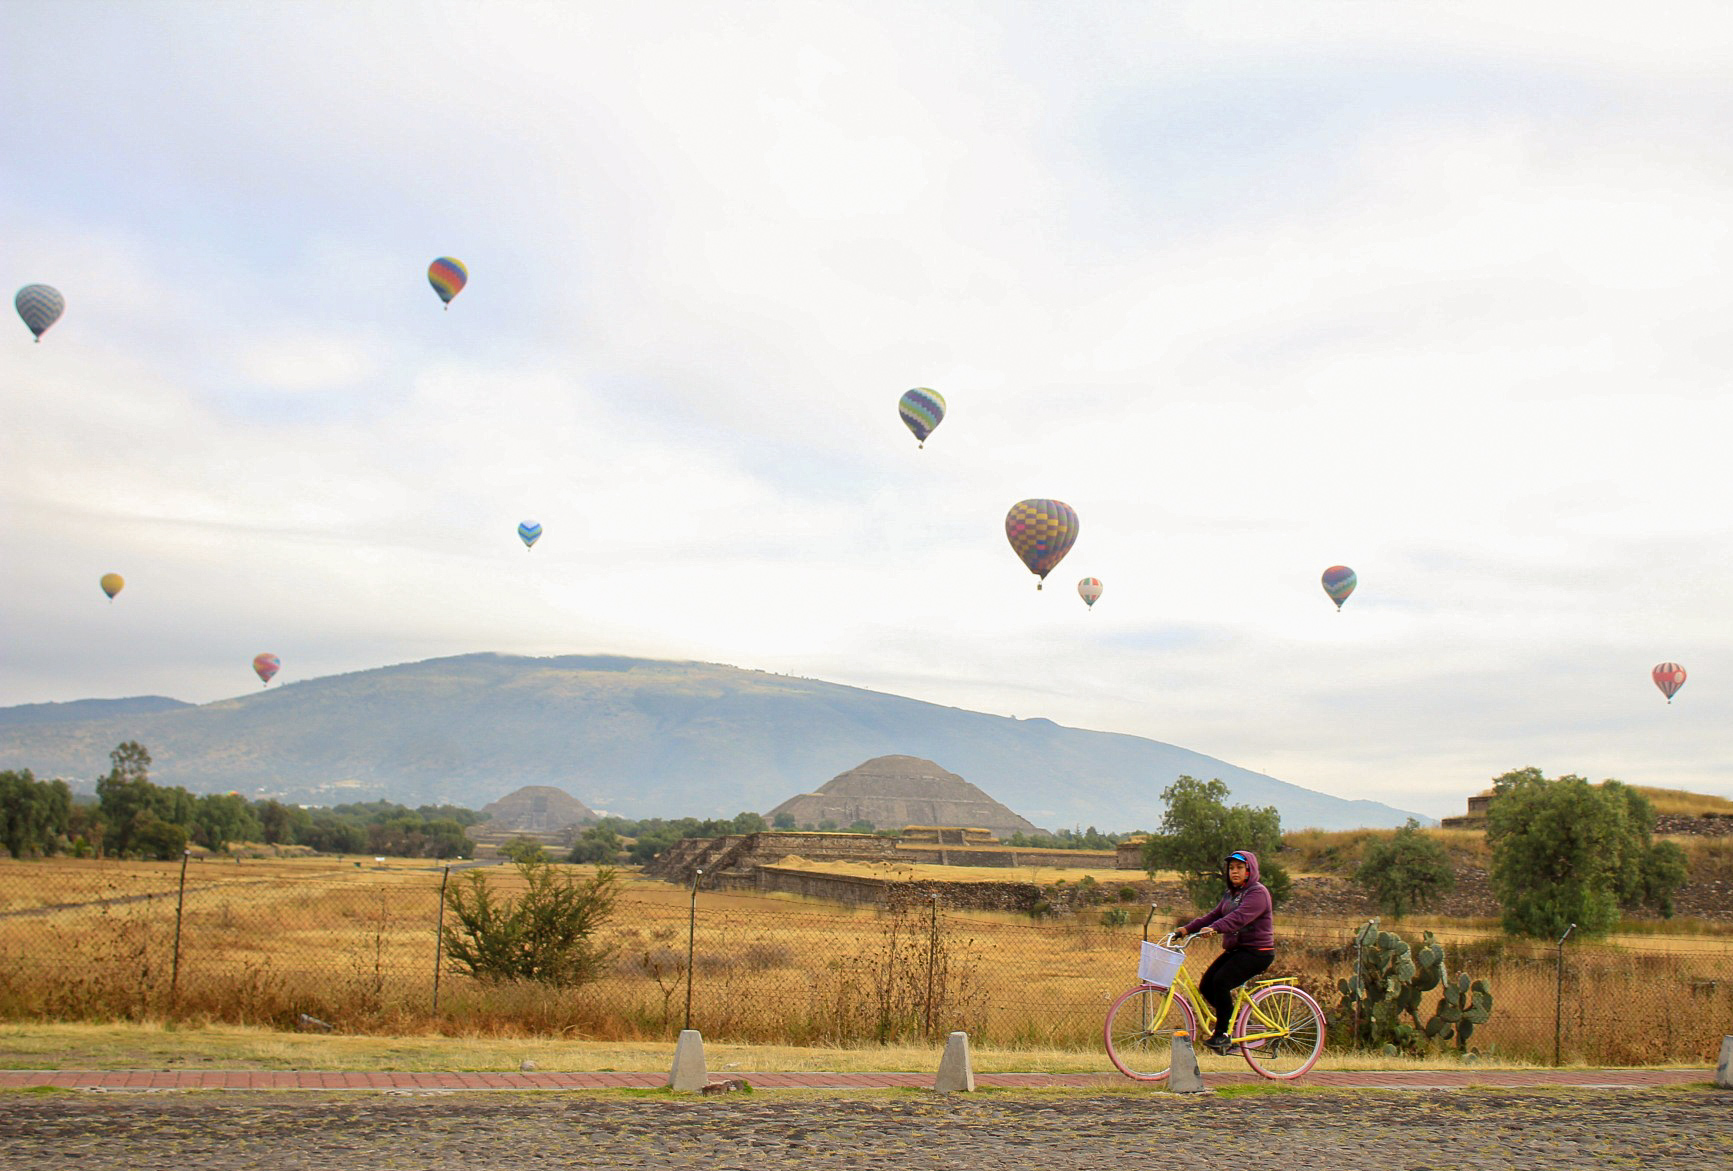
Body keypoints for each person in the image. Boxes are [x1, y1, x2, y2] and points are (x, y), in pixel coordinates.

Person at [1173, 850, 1275, 1054]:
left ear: (1249, 870)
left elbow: (1239, 917)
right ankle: (1232, 1022)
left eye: (1239, 867)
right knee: (1207, 986)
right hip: (1237, 950)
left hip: (1257, 952)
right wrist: (1186, 929)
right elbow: (1213, 915)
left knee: (1221, 982)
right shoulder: (1231, 894)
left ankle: (1223, 1034)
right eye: (1231, 868)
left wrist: (1216, 928)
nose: (1234, 872)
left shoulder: (1258, 893)